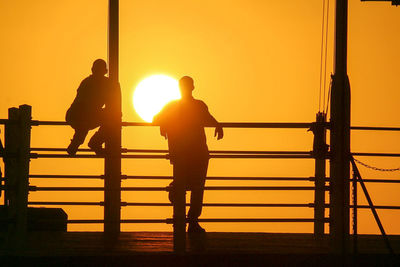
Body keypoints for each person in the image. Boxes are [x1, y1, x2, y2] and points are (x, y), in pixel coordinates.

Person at [153, 76, 223, 233]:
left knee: (194, 187)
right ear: (192, 87)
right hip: (190, 153)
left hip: (191, 153)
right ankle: (188, 221)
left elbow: (209, 119)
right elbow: (156, 119)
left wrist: (217, 125)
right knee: (194, 187)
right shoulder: (193, 105)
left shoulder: (191, 106)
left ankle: (189, 221)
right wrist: (163, 123)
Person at [65, 59, 111, 156]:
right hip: (78, 114)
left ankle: (81, 143)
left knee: (111, 117)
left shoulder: (98, 83)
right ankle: (91, 143)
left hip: (80, 115)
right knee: (110, 118)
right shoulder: (91, 83)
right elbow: (84, 105)